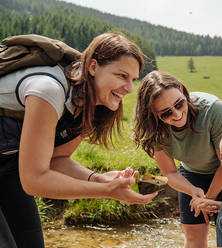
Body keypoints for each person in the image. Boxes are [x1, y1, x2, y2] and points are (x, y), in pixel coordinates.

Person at [0, 32, 158, 248]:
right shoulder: (49, 90)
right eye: (122, 76)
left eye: (133, 79)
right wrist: (106, 192)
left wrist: (98, 179)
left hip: (8, 166)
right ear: (93, 67)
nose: (129, 88)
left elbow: (57, 158)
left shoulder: (87, 104)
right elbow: (34, 180)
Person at [133, 70, 222, 248]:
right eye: (166, 113)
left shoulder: (212, 108)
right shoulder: (154, 129)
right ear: (153, 114)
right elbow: (170, 173)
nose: (176, 114)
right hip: (192, 173)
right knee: (193, 237)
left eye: (179, 104)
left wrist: (208, 199)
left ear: (182, 90)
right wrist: (192, 190)